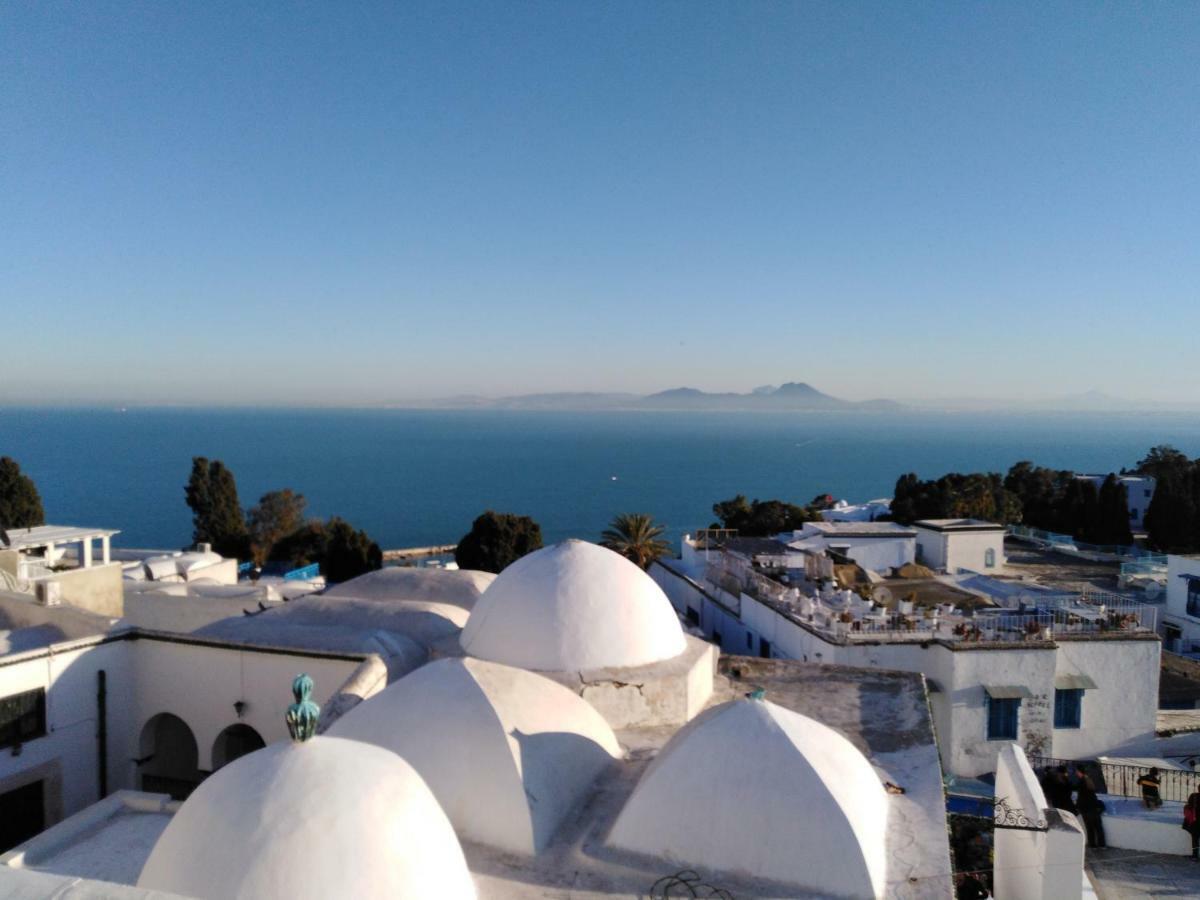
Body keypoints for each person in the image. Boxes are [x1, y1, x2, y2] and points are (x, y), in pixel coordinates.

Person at [1074, 766, 1107, 849]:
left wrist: (1078, 806)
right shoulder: (1089, 780)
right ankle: (1102, 844)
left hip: (1086, 808)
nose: (1076, 773)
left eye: (1077, 771)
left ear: (1080, 772)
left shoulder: (1081, 782)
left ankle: (1093, 845)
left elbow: (1081, 797)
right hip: (1094, 807)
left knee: (1090, 827)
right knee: (1098, 827)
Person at [1184, 791, 1200, 861]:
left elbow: (1189, 805)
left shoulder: (1194, 796)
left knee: (1195, 838)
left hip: (1195, 821)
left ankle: (1195, 856)